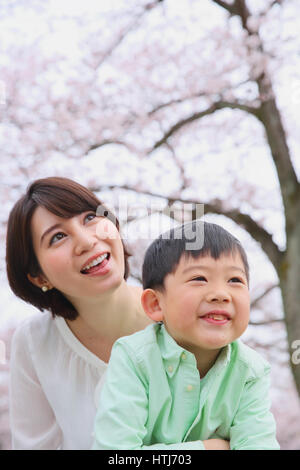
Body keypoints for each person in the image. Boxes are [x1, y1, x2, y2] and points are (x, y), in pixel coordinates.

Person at [92, 221, 280, 450]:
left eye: (235, 280)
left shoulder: (251, 371)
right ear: (155, 304)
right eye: (199, 278)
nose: (221, 294)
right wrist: (210, 448)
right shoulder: (134, 358)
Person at [6, 176, 153, 450]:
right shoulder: (34, 343)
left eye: (89, 218)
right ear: (38, 277)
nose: (87, 241)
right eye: (58, 237)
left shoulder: (183, 314)